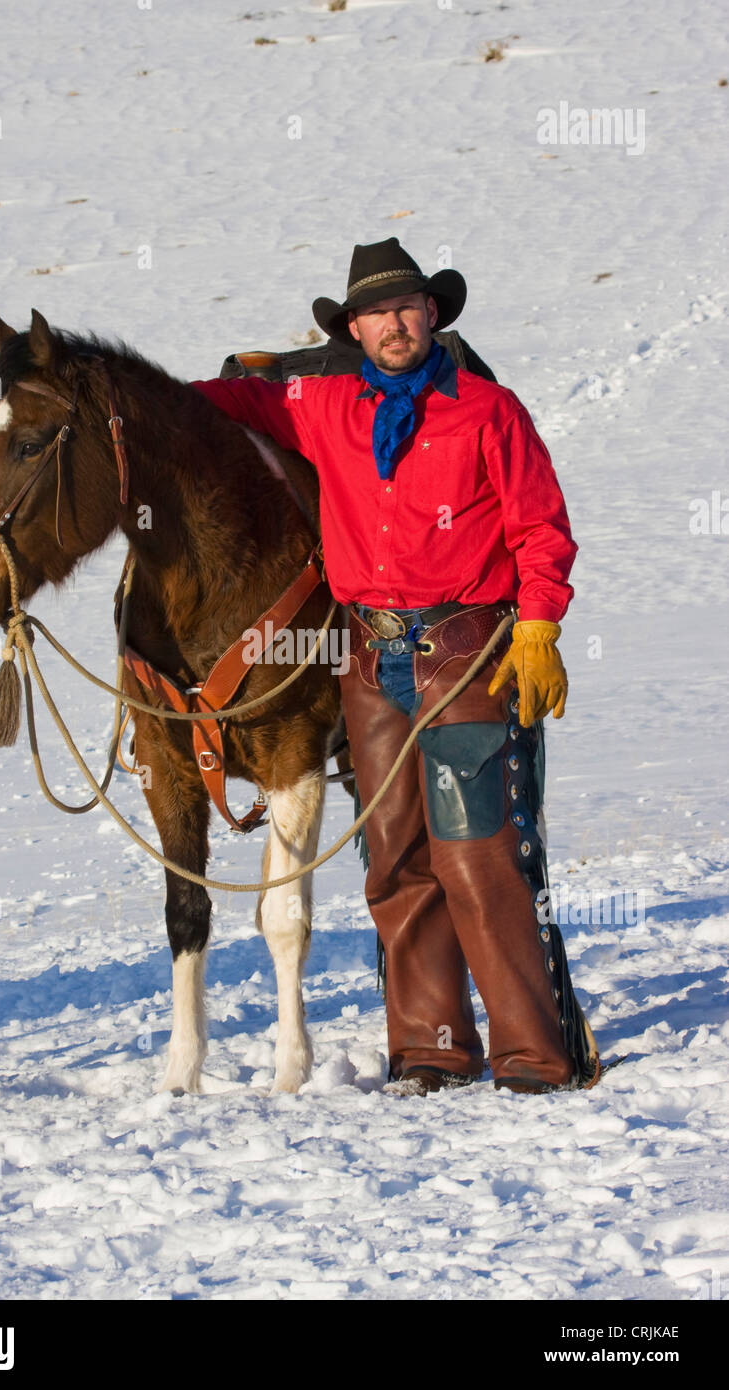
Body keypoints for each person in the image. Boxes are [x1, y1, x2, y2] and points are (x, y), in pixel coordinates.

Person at [191, 237, 599, 1095]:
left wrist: (538, 629)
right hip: (370, 661)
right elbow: (212, 401)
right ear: (355, 329)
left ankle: (532, 1055)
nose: (394, 323)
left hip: (467, 652)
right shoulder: (321, 404)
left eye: (406, 307)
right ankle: (432, 1048)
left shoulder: (489, 410)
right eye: (376, 312)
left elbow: (541, 530)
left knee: (476, 853)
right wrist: (113, 398)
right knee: (397, 858)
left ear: (432, 314)